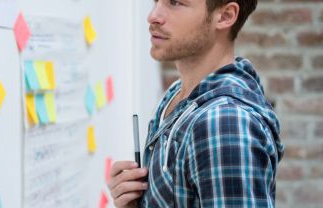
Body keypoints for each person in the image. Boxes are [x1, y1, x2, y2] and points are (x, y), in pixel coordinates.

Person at [107, 0, 284, 207]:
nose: (153, 16)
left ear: (226, 16)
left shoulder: (224, 122)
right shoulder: (177, 95)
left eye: (175, 2)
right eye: (156, 1)